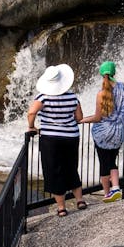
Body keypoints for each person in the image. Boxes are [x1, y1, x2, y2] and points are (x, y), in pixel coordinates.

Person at [27, 63, 86, 216]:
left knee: (54, 170)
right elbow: (79, 118)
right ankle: (80, 200)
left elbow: (31, 113)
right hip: (71, 137)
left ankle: (61, 208)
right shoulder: (73, 97)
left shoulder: (43, 97)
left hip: (50, 139)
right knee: (71, 167)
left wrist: (32, 127)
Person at [80, 60, 124, 202]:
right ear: (114, 72)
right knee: (112, 161)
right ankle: (116, 188)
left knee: (103, 162)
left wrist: (81, 120)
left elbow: (97, 117)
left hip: (102, 133)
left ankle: (107, 194)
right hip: (118, 132)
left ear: (102, 74)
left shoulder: (101, 94)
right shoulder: (123, 87)